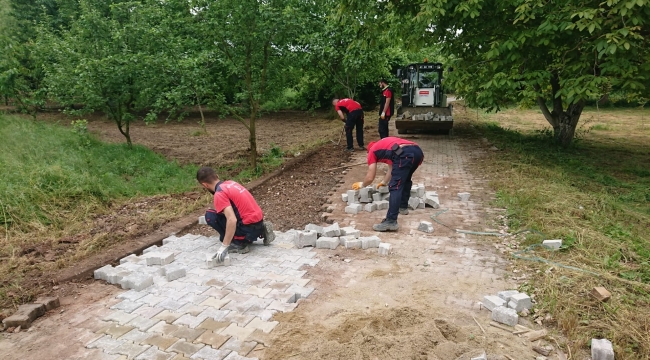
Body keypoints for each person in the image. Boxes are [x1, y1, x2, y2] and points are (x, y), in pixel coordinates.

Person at [196, 166, 274, 261]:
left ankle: (239, 243)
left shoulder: (219, 193)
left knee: (210, 216)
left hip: (247, 230)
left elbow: (232, 219)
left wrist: (224, 246)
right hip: (258, 222)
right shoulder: (231, 183)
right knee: (221, 213)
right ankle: (261, 229)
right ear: (217, 176)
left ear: (205, 185)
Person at [351, 137, 424, 232]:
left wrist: (362, 185)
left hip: (404, 153)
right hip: (417, 152)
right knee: (405, 179)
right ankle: (402, 207)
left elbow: (370, 177)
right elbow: (393, 168)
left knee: (395, 187)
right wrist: (384, 182)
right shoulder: (386, 146)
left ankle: (391, 221)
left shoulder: (372, 151)